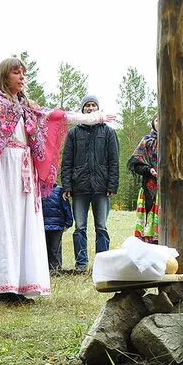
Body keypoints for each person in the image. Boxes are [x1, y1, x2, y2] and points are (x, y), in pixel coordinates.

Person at [0, 60, 117, 305]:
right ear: (4, 75)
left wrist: (94, 118)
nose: (22, 77)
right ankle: (1, 287)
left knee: (25, 224)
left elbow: (59, 117)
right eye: (16, 72)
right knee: (5, 222)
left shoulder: (28, 109)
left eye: (24, 73)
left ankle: (21, 286)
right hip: (5, 167)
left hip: (25, 169)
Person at [60, 95, 119, 272]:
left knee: (101, 227)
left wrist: (112, 185)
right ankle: (81, 264)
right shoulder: (73, 133)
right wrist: (67, 186)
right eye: (87, 105)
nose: (91, 108)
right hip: (79, 188)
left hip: (101, 188)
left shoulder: (108, 132)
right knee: (80, 228)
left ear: (98, 108)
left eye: (94, 105)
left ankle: (103, 265)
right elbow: (67, 161)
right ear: (83, 109)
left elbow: (113, 161)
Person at [129, 116, 161, 243]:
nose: (160, 122)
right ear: (153, 123)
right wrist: (149, 170)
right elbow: (136, 165)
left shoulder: (173, 140)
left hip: (170, 190)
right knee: (149, 225)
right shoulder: (147, 141)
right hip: (150, 187)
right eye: (157, 119)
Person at [42, 183, 75, 272]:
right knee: (54, 249)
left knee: (51, 249)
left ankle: (53, 269)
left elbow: (66, 207)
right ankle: (55, 268)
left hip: (54, 226)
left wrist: (68, 222)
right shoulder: (59, 190)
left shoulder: (60, 191)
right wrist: (68, 223)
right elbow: (66, 208)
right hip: (54, 225)